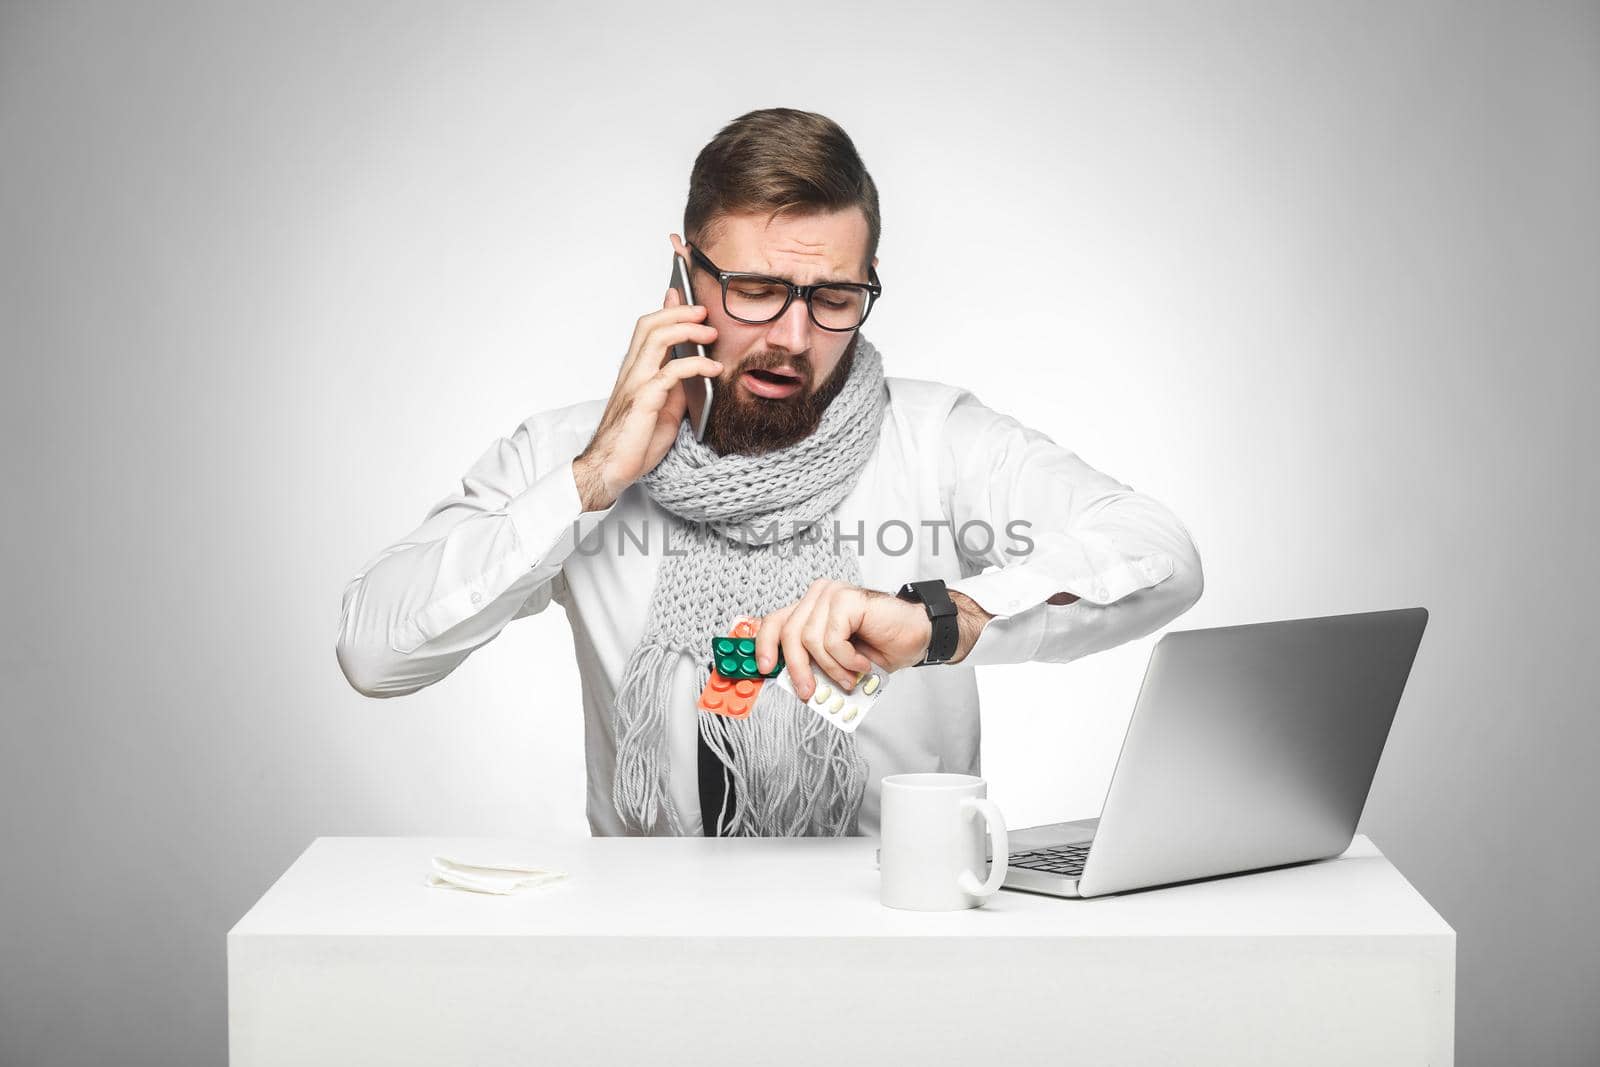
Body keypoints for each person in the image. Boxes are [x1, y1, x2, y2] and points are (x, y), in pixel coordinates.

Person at [336, 107, 1204, 838]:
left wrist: (945, 620)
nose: (792, 337)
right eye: (754, 289)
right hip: (651, 948)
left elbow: (1160, 552)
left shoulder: (935, 439)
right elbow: (376, 651)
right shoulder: (568, 451)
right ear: (684, 273)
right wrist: (597, 474)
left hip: (898, 935)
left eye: (832, 299)